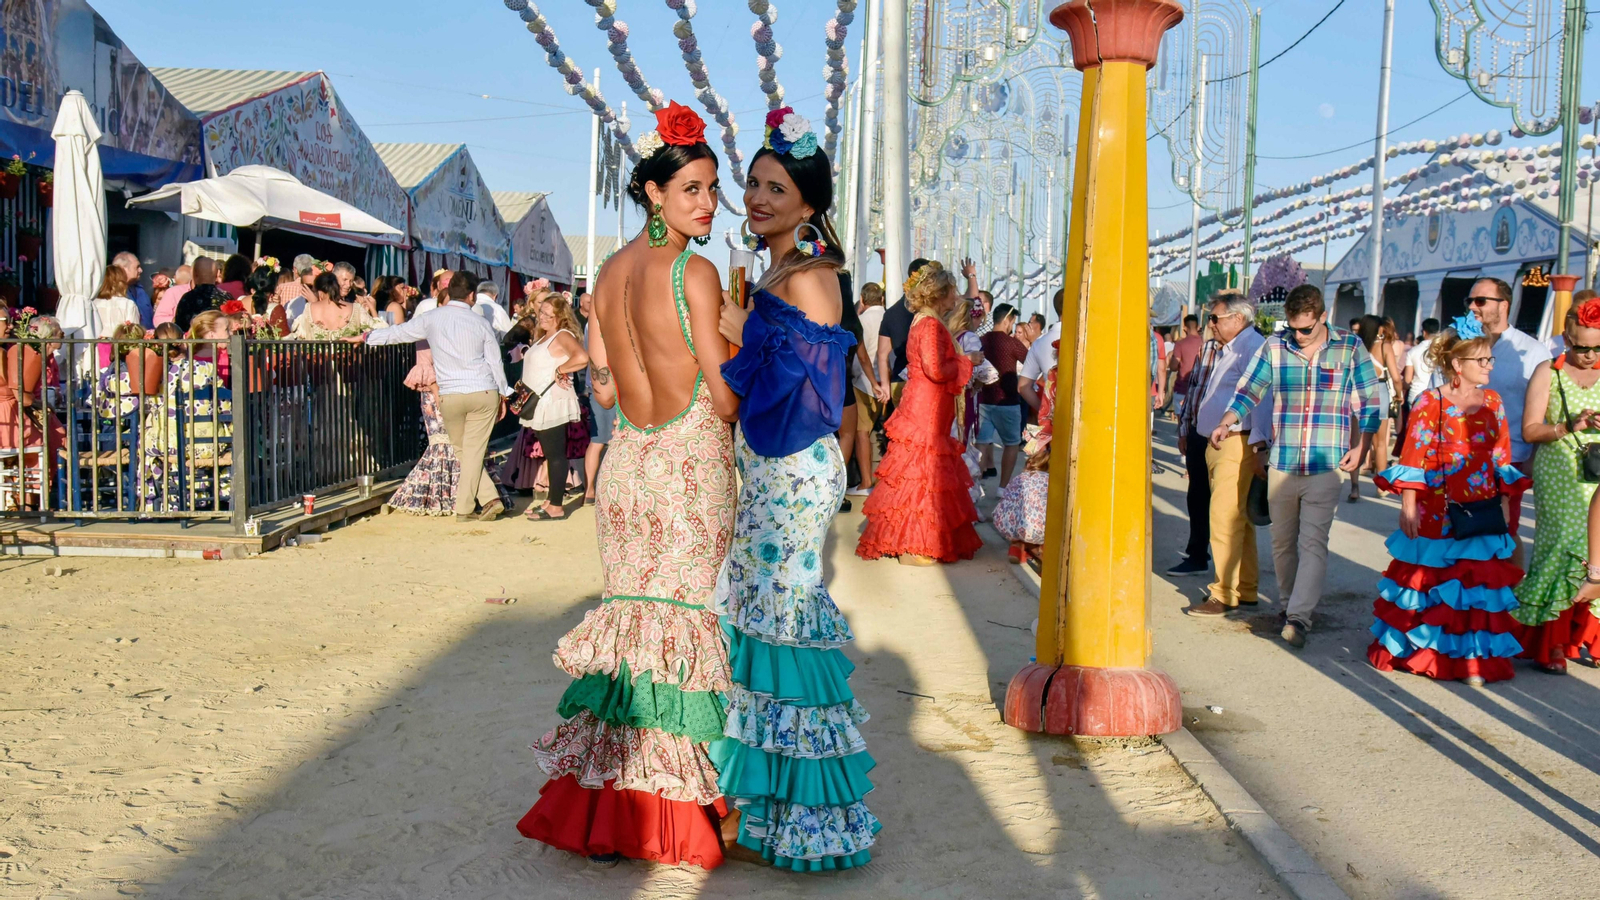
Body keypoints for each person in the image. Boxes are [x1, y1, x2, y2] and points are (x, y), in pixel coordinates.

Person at [515, 101, 739, 870]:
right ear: (655, 192)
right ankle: (668, 818)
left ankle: (603, 808)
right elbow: (727, 393)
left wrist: (592, 359)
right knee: (679, 633)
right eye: (692, 190)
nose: (707, 203)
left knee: (634, 632)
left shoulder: (607, 273)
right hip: (688, 465)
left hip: (630, 467)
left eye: (713, 189)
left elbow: (605, 393)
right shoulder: (694, 271)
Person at [711, 112, 879, 870]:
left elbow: (806, 392)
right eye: (751, 182)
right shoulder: (782, 272)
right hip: (770, 467)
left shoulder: (811, 278)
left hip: (792, 468)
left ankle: (806, 822)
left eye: (776, 187)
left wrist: (744, 328)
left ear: (809, 204)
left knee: (782, 624)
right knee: (761, 627)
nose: (756, 196)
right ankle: (767, 811)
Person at [1211, 285, 1381, 648]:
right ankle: (1288, 607)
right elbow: (1249, 389)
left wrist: (1361, 447)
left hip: (1327, 463)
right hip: (1283, 462)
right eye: (1294, 328)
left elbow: (1370, 401)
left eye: (1306, 329)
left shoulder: (1350, 348)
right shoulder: (1275, 346)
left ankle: (1299, 617)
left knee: (1314, 542)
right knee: (1282, 544)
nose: (1299, 336)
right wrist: (1227, 422)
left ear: (1322, 317)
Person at [1368, 315, 1529, 685]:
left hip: (1481, 507)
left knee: (1474, 586)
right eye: (1482, 360)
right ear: (1458, 364)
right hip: (1437, 508)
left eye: (1490, 359)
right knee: (1432, 581)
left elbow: (1501, 455)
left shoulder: (1493, 400)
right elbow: (1413, 457)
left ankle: (1471, 659)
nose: (1489, 366)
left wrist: (1504, 503)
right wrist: (1408, 504)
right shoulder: (1430, 401)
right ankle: (1426, 652)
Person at [858, 261, 983, 565]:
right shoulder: (928, 324)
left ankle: (915, 538)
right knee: (921, 472)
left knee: (921, 472)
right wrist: (968, 360)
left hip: (927, 406)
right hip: (925, 408)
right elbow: (936, 369)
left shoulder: (923, 321)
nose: (956, 297)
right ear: (939, 293)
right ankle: (914, 544)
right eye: (952, 291)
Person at [361, 272, 511, 519]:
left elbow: (398, 334)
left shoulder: (431, 317)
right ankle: (478, 503)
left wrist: (367, 337)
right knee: (471, 451)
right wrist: (504, 394)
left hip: (450, 393)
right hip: (483, 390)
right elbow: (495, 363)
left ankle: (484, 501)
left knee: (463, 450)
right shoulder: (481, 323)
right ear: (472, 295)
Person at [1512, 296, 1600, 673]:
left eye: (1598, 347)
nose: (1589, 356)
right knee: (1563, 546)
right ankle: (1554, 642)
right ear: (1566, 337)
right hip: (1559, 469)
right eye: (1581, 347)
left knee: (1595, 549)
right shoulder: (1548, 371)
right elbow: (1529, 430)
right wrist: (1568, 426)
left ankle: (1588, 637)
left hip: (1596, 473)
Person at [1181, 291, 1268, 601]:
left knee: (1224, 518)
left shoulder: (1252, 347)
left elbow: (1260, 397)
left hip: (1237, 442)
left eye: (1215, 318)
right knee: (1236, 519)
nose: (1211, 324)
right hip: (1222, 442)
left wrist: (1259, 446)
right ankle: (1244, 590)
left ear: (1238, 319)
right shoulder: (1229, 348)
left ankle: (1225, 593)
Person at [1470, 276, 1551, 563]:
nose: (1472, 306)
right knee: (1461, 531)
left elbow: (1545, 410)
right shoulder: (1461, 345)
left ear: (1503, 305)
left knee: (1505, 532)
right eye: (1469, 300)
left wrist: (1532, 458)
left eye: (1480, 300)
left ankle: (1508, 598)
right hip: (1459, 455)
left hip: (1509, 458)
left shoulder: (1531, 352)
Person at [388, 344, 514, 516]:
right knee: (451, 444)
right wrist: (436, 391)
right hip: (442, 393)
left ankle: (466, 499)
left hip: (457, 391)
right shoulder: (432, 325)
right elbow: (424, 361)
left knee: (462, 445)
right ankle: (467, 499)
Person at [514, 293, 588, 520]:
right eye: (542, 312)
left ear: (559, 316)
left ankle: (556, 505)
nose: (542, 316)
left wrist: (561, 369)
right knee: (550, 453)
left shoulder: (562, 335)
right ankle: (550, 500)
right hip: (539, 401)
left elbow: (582, 357)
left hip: (552, 402)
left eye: (548, 314)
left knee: (556, 454)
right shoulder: (545, 336)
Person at [0, 314, 66, 509]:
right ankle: (28, 502)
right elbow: (19, 393)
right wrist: (38, 403)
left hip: (16, 413)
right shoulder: (12, 353)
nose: (10, 325)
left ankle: (31, 502)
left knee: (54, 438)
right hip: (9, 417)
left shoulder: (12, 352)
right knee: (44, 444)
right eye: (5, 320)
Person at [1349, 314, 1403, 502]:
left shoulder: (1355, 346)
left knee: (1356, 441)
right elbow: (1396, 377)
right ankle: (1381, 485)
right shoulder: (1384, 346)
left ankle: (1354, 487)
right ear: (1379, 328)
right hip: (1379, 390)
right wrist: (1399, 394)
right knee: (1380, 443)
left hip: (1358, 391)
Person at [977, 302, 1028, 486]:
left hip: (983, 400)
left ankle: (977, 484)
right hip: (1008, 401)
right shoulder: (1012, 343)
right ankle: (1003, 486)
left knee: (981, 442)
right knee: (1012, 444)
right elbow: (1029, 363)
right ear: (1007, 320)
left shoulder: (982, 340)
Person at [875, 257, 930, 405]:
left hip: (898, 380)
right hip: (924, 381)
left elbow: (882, 354)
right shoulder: (930, 312)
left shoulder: (892, 312)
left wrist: (885, 385)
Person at [849, 281, 887, 496]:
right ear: (882, 299)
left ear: (862, 300)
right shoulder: (888, 317)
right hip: (887, 382)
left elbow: (858, 356)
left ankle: (865, 481)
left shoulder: (860, 321)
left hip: (864, 383)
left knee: (861, 432)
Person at [993, 429, 1050, 564]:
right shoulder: (1050, 482)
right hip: (1039, 530)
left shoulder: (1020, 478)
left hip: (1012, 526)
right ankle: (1038, 550)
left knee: (1018, 512)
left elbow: (1006, 501)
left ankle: (1016, 545)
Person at [289, 272, 383, 339]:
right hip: (348, 364)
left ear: (320, 293)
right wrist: (373, 310)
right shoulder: (355, 309)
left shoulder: (309, 308)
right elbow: (379, 331)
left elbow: (300, 337)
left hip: (318, 365)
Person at [1020, 291, 1064, 416]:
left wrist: (1045, 411)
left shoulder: (1039, 343)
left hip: (1054, 415)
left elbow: (1023, 387)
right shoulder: (1087, 339)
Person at [174, 258, 233, 332]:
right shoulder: (227, 298)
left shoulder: (187, 299)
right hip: (222, 342)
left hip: (194, 342)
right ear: (218, 274)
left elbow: (179, 328)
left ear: (194, 274)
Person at [89, 265, 141, 340]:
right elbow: (134, 331)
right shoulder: (128, 304)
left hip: (97, 347)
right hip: (119, 347)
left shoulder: (93, 303)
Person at [1169, 314, 1203, 419]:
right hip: (1200, 389)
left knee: (1182, 424)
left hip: (1182, 388)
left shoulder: (1180, 344)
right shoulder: (1205, 343)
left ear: (1184, 328)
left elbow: (1173, 366)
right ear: (1198, 327)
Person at [111, 252, 151, 328]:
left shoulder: (140, 291)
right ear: (123, 269)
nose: (141, 270)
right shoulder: (110, 292)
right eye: (137, 267)